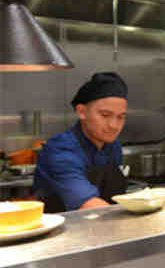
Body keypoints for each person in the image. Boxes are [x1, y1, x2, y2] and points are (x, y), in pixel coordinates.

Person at [33, 72, 129, 212]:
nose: (114, 126)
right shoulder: (60, 151)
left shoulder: (112, 146)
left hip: (103, 222)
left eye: (121, 117)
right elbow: (89, 205)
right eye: (105, 115)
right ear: (82, 112)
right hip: (66, 225)